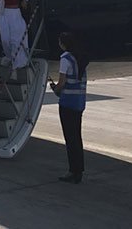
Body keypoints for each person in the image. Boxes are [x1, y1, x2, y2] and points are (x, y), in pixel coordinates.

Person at [50, 31, 89, 184]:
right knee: (77, 137)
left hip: (67, 103)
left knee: (70, 138)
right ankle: (79, 170)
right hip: (79, 103)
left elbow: (62, 83)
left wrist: (55, 89)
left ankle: (72, 171)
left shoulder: (65, 58)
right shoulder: (80, 59)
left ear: (63, 44)